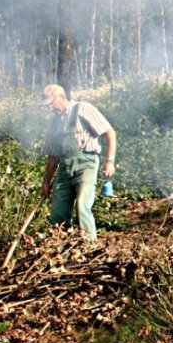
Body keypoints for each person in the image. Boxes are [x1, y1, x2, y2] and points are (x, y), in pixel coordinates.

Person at [40, 84, 116, 242]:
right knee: (58, 212)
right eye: (47, 106)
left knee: (82, 205)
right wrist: (46, 182)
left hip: (86, 164)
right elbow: (53, 156)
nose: (50, 109)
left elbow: (109, 132)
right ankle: (59, 247)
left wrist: (110, 161)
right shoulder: (54, 123)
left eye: (51, 104)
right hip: (65, 168)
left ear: (61, 97)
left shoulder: (83, 109)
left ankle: (89, 246)